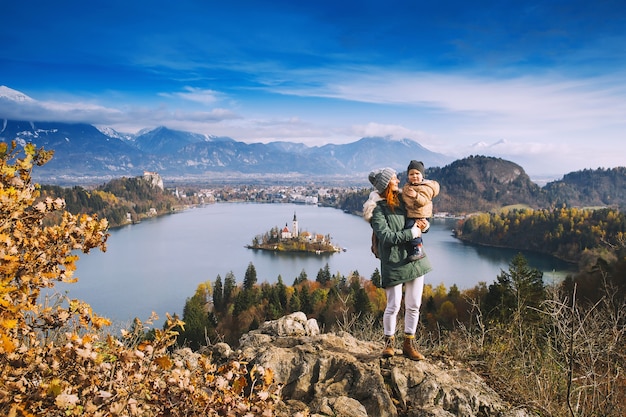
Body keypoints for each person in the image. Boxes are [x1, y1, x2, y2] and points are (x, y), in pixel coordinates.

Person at [363, 167, 433, 360]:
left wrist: (424, 226)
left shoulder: (404, 199)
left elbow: (420, 214)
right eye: (393, 178)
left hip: (415, 259)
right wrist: (411, 234)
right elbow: (385, 236)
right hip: (393, 261)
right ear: (386, 184)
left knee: (414, 305)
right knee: (393, 305)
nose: (397, 179)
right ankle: (389, 344)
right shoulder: (376, 209)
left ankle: (409, 344)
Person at [401, 160, 440, 261]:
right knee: (409, 230)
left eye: (417, 173)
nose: (414, 176)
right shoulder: (409, 186)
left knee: (412, 229)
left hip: (420, 214)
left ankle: (417, 248)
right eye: (411, 174)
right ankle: (413, 249)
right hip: (412, 213)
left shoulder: (425, 188)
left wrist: (415, 196)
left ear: (422, 175)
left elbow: (423, 201)